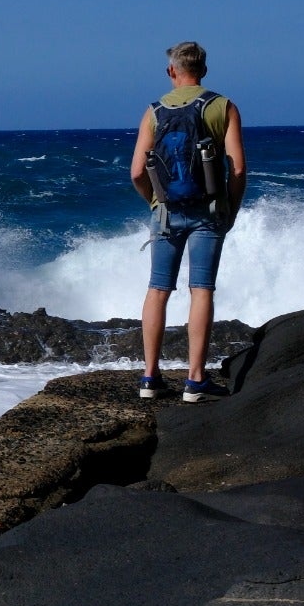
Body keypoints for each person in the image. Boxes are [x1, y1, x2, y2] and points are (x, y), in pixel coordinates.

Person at [130, 41, 246, 402]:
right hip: (209, 213)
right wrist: (230, 209)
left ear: (171, 71)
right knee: (202, 289)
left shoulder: (153, 111)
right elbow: (238, 168)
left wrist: (155, 202)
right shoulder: (223, 107)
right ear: (204, 70)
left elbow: (136, 172)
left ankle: (150, 378)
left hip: (164, 214)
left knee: (158, 290)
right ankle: (195, 380)